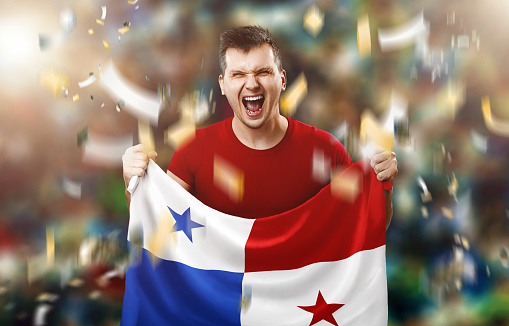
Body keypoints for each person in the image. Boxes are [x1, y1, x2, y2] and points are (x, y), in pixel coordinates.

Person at [122, 25, 397, 226]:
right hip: (224, 303)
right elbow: (154, 229)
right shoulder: (194, 151)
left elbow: (366, 228)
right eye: (238, 74)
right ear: (223, 85)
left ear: (283, 80)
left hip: (301, 302)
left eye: (263, 72)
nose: (251, 83)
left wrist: (383, 185)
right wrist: (132, 183)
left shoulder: (325, 149)